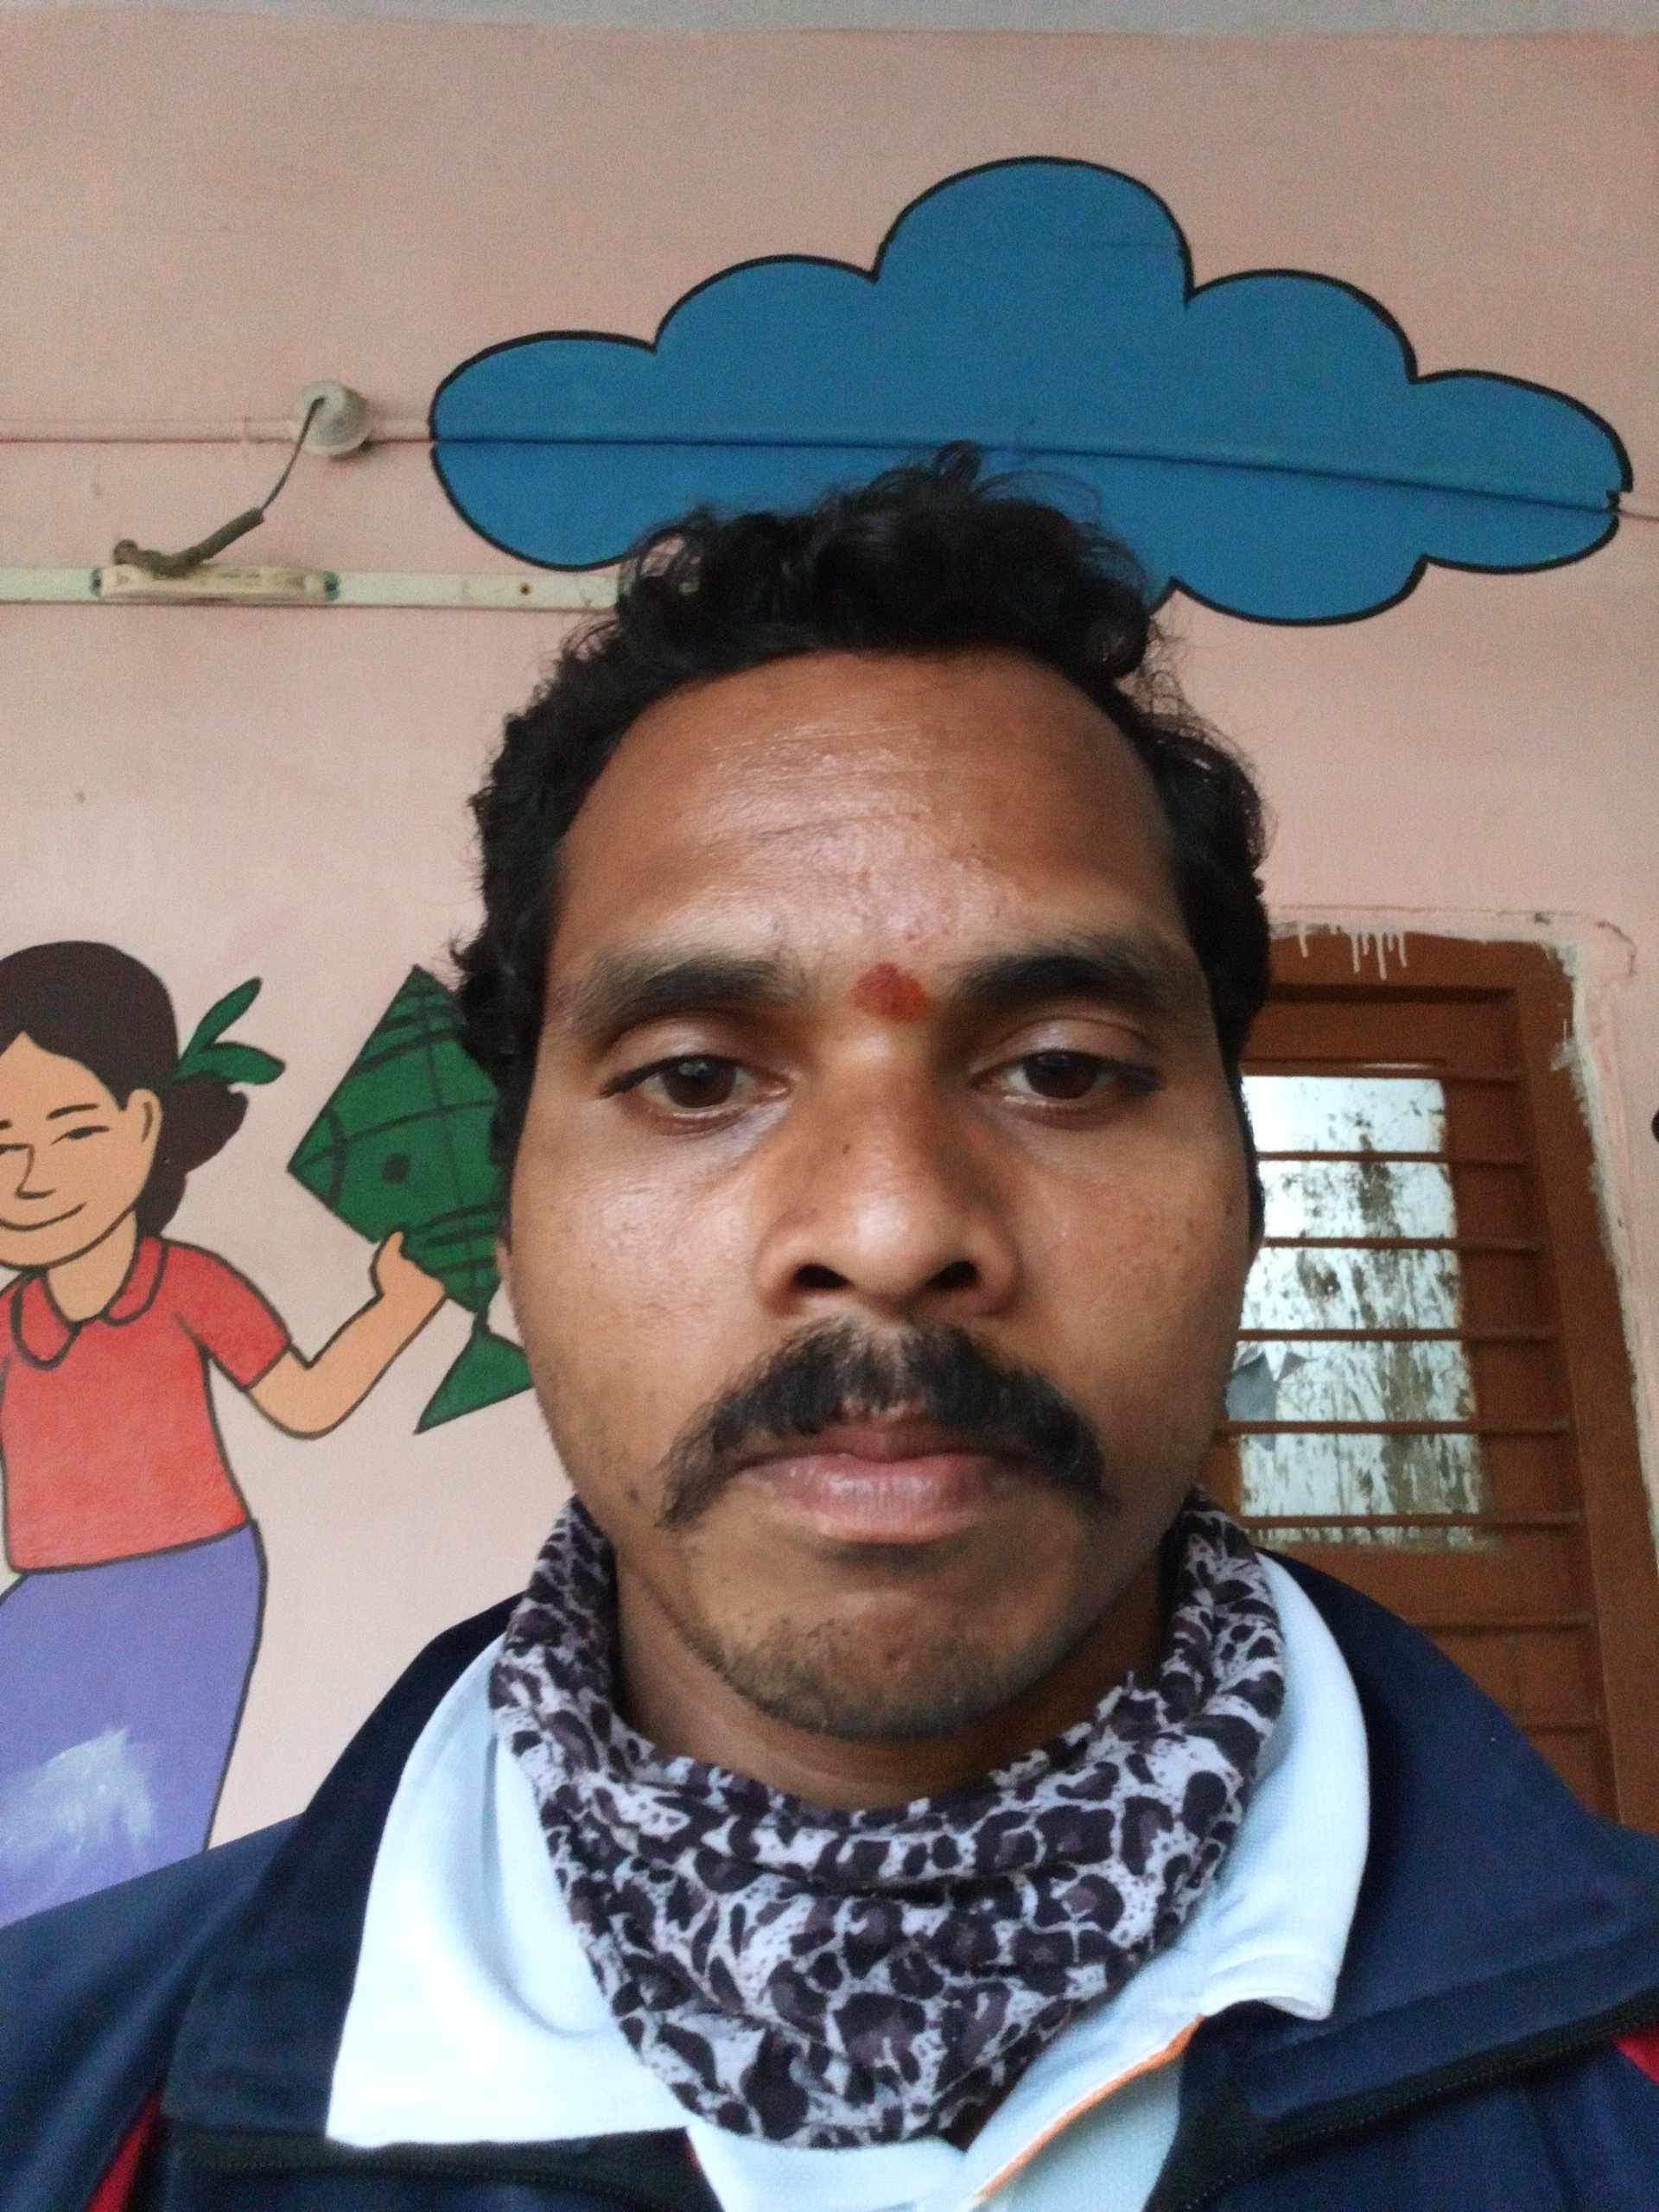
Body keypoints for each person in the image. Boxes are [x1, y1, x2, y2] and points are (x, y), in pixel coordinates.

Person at [6, 450, 1658, 2212]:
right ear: (514, 1225)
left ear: (1249, 1197)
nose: (887, 1231)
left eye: (1063, 1070)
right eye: (695, 1077)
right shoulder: (56, 2094)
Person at [0, 944, 445, 1926]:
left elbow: (305, 1403)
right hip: (49, 1601)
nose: (32, 1178)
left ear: (143, 1124)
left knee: (127, 1840)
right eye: (2, 1146)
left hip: (184, 1587)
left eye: (73, 1132)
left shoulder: (186, 1283)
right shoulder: (10, 1323)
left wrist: (396, 1310)